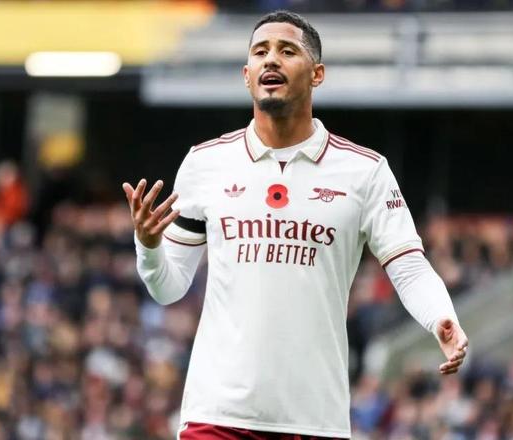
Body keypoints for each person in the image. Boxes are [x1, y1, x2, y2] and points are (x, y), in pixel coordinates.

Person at [123, 10, 468, 440]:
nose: (271, 59)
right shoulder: (205, 163)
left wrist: (441, 317)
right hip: (218, 415)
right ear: (246, 75)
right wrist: (148, 246)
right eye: (260, 52)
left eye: (287, 51)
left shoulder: (364, 171)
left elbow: (409, 268)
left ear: (317, 74)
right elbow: (167, 288)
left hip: (313, 418)